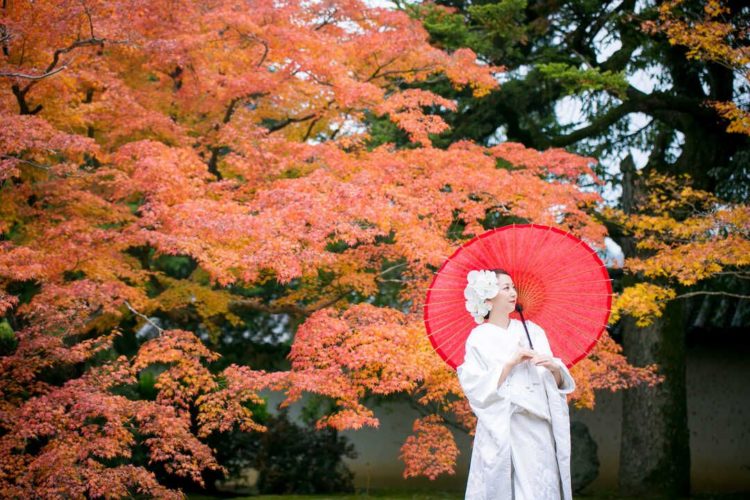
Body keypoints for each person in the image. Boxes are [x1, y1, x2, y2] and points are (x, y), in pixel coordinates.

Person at [457, 269, 576, 500]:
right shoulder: (479, 337)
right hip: (503, 426)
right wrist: (510, 363)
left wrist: (553, 367)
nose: (513, 293)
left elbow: (557, 384)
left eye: (513, 287)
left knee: (539, 489)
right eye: (506, 288)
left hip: (537, 426)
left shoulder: (533, 331)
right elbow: (475, 387)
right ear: (488, 297)